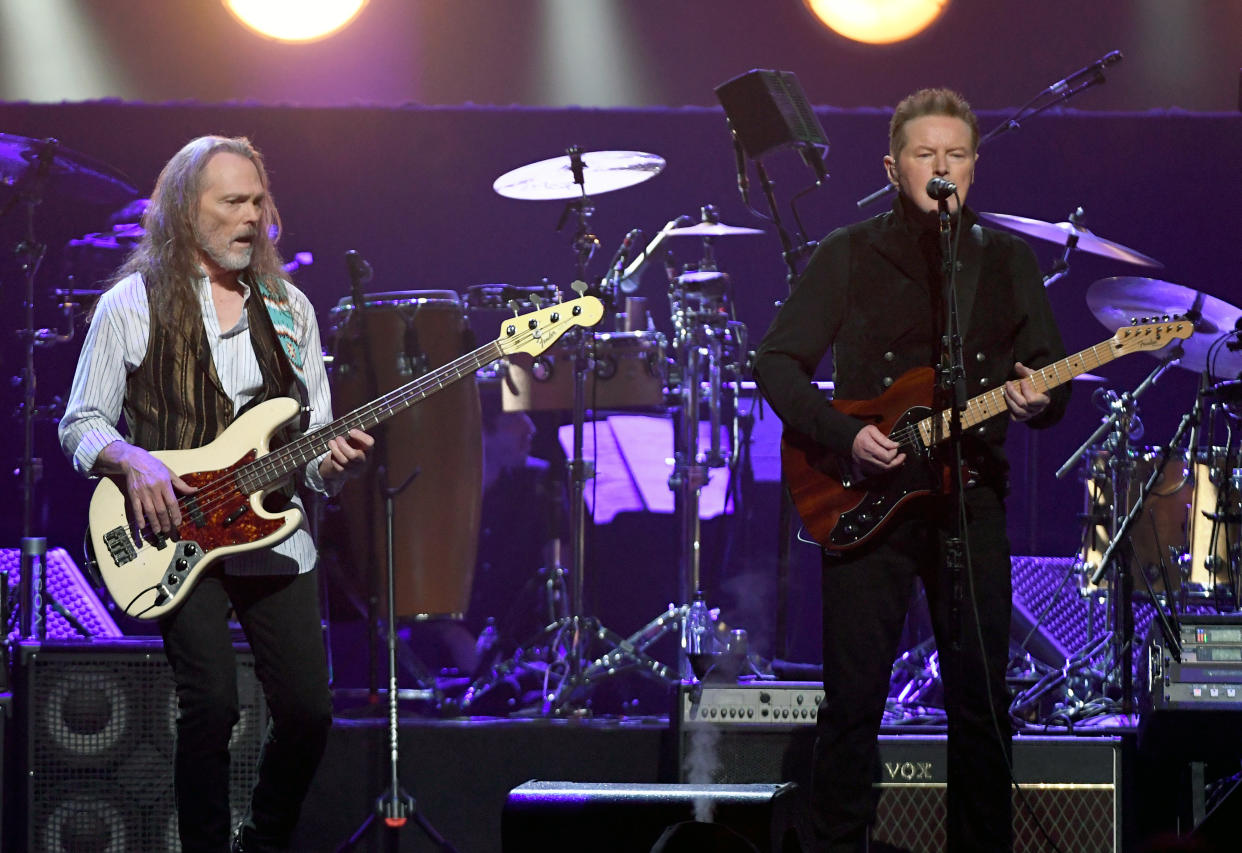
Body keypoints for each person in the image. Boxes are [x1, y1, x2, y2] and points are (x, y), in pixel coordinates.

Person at [753, 89, 1070, 852]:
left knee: (982, 704)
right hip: (868, 500)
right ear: (893, 167)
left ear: (975, 167)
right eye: (925, 156)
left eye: (955, 156)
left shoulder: (1006, 259)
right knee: (856, 701)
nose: (941, 169)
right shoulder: (851, 252)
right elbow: (776, 362)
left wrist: (1039, 401)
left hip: (970, 499)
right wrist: (846, 434)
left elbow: (1051, 373)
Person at [59, 136, 373, 853]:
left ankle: (261, 841)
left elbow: (314, 443)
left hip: (269, 529)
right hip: (175, 528)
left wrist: (335, 464)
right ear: (181, 212)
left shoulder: (291, 308)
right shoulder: (130, 303)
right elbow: (79, 421)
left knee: (309, 711)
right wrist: (131, 459)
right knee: (211, 706)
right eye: (232, 202)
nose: (251, 218)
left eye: (258, 201)